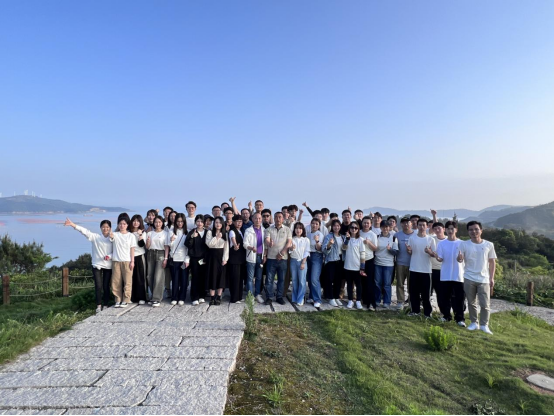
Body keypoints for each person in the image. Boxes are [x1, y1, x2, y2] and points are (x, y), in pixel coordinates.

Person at [64, 218, 113, 314]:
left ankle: (106, 305)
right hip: (97, 265)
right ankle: (98, 305)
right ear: (100, 228)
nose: (105, 229)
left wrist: (109, 256)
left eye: (107, 227)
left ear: (110, 228)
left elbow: (116, 250)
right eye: (103, 227)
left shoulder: (113, 238)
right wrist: (73, 225)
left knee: (106, 286)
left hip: (108, 265)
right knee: (98, 286)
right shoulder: (95, 237)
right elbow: (85, 231)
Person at [458, 221, 497, 335]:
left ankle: (484, 325)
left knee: (485, 304)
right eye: (471, 230)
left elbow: (492, 262)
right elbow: (460, 259)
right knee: (471, 302)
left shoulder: (489, 245)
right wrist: (459, 258)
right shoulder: (464, 244)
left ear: (481, 230)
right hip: (468, 277)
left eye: (476, 229)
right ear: (468, 232)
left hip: (484, 278)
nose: (474, 231)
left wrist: (492, 278)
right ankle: (474, 323)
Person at [435, 221, 465, 326]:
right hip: (445, 274)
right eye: (448, 228)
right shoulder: (441, 244)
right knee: (445, 297)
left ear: (456, 230)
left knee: (459, 298)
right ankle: (446, 316)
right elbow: (440, 258)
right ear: (445, 230)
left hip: (458, 275)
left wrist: (460, 259)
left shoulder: (462, 243)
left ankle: (460, 319)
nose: (450, 230)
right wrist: (436, 256)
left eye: (452, 228)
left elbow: (463, 259)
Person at [407, 219, 437, 318]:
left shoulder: (431, 239)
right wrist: (409, 250)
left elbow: (434, 254)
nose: (422, 227)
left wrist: (429, 252)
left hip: (426, 269)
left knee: (426, 294)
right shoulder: (412, 238)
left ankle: (427, 313)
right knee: (413, 292)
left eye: (424, 225)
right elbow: (410, 252)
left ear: (427, 226)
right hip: (414, 268)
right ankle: (415, 311)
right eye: (420, 225)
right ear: (417, 226)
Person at [264, 212, 293, 306]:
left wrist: (282, 253)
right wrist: (269, 243)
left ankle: (279, 297)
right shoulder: (269, 229)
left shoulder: (287, 229)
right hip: (271, 258)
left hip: (283, 258)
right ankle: (269, 297)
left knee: (281, 279)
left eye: (280, 217)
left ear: (283, 219)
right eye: (276, 217)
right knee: (269, 279)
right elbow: (267, 239)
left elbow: (289, 243)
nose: (278, 219)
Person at [110, 216, 137, 308]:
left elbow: (132, 249)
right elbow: (111, 239)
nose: (122, 225)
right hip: (116, 261)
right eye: (120, 224)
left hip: (127, 261)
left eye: (124, 224)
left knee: (128, 281)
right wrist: (111, 236)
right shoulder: (115, 234)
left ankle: (126, 299)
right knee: (116, 281)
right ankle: (118, 299)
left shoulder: (131, 236)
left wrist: (132, 261)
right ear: (118, 224)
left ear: (127, 225)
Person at [146, 216, 170, 308]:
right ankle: (153, 296)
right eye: (156, 222)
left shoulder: (165, 233)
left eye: (159, 222)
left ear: (162, 223)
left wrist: (166, 258)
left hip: (161, 253)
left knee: (158, 276)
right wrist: (148, 242)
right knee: (150, 276)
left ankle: (157, 298)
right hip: (150, 253)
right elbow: (147, 247)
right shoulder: (150, 233)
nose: (157, 224)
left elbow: (166, 246)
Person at [374, 221, 399, 309]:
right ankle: (377, 300)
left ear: (389, 228)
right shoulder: (376, 237)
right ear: (380, 228)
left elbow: (396, 252)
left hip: (388, 264)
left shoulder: (393, 238)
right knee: (377, 283)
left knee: (387, 284)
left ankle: (387, 302)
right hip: (377, 263)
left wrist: (390, 249)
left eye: (387, 227)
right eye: (383, 227)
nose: (385, 228)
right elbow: (373, 249)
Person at [186, 215, 209, 306]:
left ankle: (202, 295)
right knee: (195, 277)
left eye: (201, 221)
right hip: (195, 258)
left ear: (204, 223)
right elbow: (187, 244)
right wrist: (192, 237)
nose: (199, 223)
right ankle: (194, 297)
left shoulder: (207, 232)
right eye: (198, 221)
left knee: (203, 277)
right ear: (195, 222)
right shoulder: (192, 232)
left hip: (205, 258)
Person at [342, 222, 366, 310]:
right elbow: (343, 248)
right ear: (349, 229)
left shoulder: (360, 239)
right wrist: (347, 239)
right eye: (352, 227)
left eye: (356, 228)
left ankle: (358, 300)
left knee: (358, 284)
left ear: (358, 229)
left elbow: (362, 254)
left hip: (357, 266)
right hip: (348, 265)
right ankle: (350, 300)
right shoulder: (346, 238)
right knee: (349, 284)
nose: (354, 229)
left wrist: (362, 267)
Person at [206, 217, 229, 306]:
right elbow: (209, 244)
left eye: (219, 222)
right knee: (212, 276)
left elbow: (226, 248)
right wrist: (216, 237)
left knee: (221, 276)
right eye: (216, 222)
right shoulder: (210, 232)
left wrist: (225, 259)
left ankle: (219, 296)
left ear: (222, 224)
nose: (218, 224)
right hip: (212, 257)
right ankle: (212, 297)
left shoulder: (225, 234)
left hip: (221, 256)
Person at [168, 213, 190, 306]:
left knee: (184, 279)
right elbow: (169, 246)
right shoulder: (171, 231)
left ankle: (182, 297)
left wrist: (187, 259)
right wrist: (171, 240)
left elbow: (189, 248)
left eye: (181, 221)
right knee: (175, 279)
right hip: (174, 259)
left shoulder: (188, 232)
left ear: (184, 222)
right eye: (178, 221)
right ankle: (174, 297)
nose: (180, 223)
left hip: (184, 259)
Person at [244, 213, 265, 304]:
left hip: (260, 256)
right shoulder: (248, 230)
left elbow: (265, 245)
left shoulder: (264, 230)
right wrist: (251, 248)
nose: (258, 220)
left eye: (259, 218)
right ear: (252, 219)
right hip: (251, 256)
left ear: (261, 219)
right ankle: (250, 296)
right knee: (250, 278)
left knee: (259, 277)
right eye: (256, 218)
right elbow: (245, 244)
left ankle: (257, 294)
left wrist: (265, 256)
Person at [323, 220, 345, 307]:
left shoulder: (342, 237)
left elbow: (345, 249)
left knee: (338, 280)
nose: (336, 227)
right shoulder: (329, 236)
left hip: (340, 260)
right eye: (335, 226)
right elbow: (324, 250)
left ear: (340, 226)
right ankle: (330, 298)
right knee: (329, 279)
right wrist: (329, 244)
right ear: (332, 227)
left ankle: (336, 297)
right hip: (331, 260)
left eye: (338, 225)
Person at [394, 218, 415, 310]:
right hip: (400, 263)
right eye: (404, 223)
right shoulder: (397, 235)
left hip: (412, 264)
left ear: (411, 224)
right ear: (401, 224)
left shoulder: (415, 235)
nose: (406, 224)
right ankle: (400, 301)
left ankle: (411, 301)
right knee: (400, 283)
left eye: (408, 223)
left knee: (412, 284)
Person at [360, 217, 378, 311]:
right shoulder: (358, 232)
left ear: (371, 224)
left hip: (369, 259)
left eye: (368, 223)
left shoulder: (372, 234)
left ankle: (371, 303)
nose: (366, 224)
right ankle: (363, 300)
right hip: (359, 260)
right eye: (364, 222)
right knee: (361, 281)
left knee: (369, 281)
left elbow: (375, 248)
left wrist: (369, 242)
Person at [290, 222, 310, 305]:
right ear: (294, 229)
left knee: (302, 280)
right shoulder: (292, 239)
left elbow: (307, 251)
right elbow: (290, 251)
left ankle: (301, 298)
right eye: (296, 228)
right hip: (293, 261)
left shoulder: (306, 240)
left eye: (300, 228)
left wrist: (303, 262)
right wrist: (291, 248)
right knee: (294, 280)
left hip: (302, 261)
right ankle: (295, 297)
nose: (298, 230)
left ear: (303, 230)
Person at [129, 215, 148, 305]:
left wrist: (140, 234)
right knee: (131, 277)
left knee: (141, 277)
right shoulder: (128, 232)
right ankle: (132, 297)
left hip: (140, 256)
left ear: (140, 222)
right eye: (134, 221)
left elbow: (141, 245)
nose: (136, 223)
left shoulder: (143, 233)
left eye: (138, 221)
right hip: (129, 257)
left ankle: (142, 297)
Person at [306, 218, 324, 308]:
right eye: (313, 223)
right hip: (308, 256)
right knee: (309, 278)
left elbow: (319, 248)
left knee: (314, 278)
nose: (314, 225)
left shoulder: (320, 235)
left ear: (319, 225)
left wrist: (317, 240)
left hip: (317, 256)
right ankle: (311, 296)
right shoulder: (308, 234)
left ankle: (317, 299)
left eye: (316, 224)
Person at [228, 215, 247, 303]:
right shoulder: (232, 231)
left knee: (240, 279)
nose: (239, 223)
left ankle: (239, 296)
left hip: (241, 260)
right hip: (234, 260)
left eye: (240, 221)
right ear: (233, 222)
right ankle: (234, 298)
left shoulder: (241, 231)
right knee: (235, 279)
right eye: (237, 221)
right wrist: (235, 245)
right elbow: (233, 239)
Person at [430, 222, 447, 314]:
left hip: (444, 270)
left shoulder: (449, 240)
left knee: (442, 292)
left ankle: (443, 312)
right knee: (429, 291)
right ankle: (428, 311)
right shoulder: (431, 239)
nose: (437, 230)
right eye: (435, 229)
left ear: (444, 229)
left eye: (439, 228)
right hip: (431, 269)